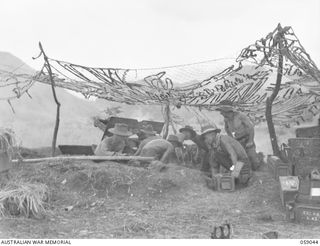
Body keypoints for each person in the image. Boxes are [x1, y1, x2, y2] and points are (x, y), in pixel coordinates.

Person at [217, 100, 261, 171]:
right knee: (239, 161)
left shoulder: (241, 116)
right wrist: (231, 138)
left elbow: (250, 128)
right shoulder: (226, 119)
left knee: (253, 160)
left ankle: (257, 173)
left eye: (222, 111)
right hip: (238, 142)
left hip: (247, 140)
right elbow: (227, 128)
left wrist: (250, 141)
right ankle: (239, 176)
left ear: (227, 111)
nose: (221, 113)